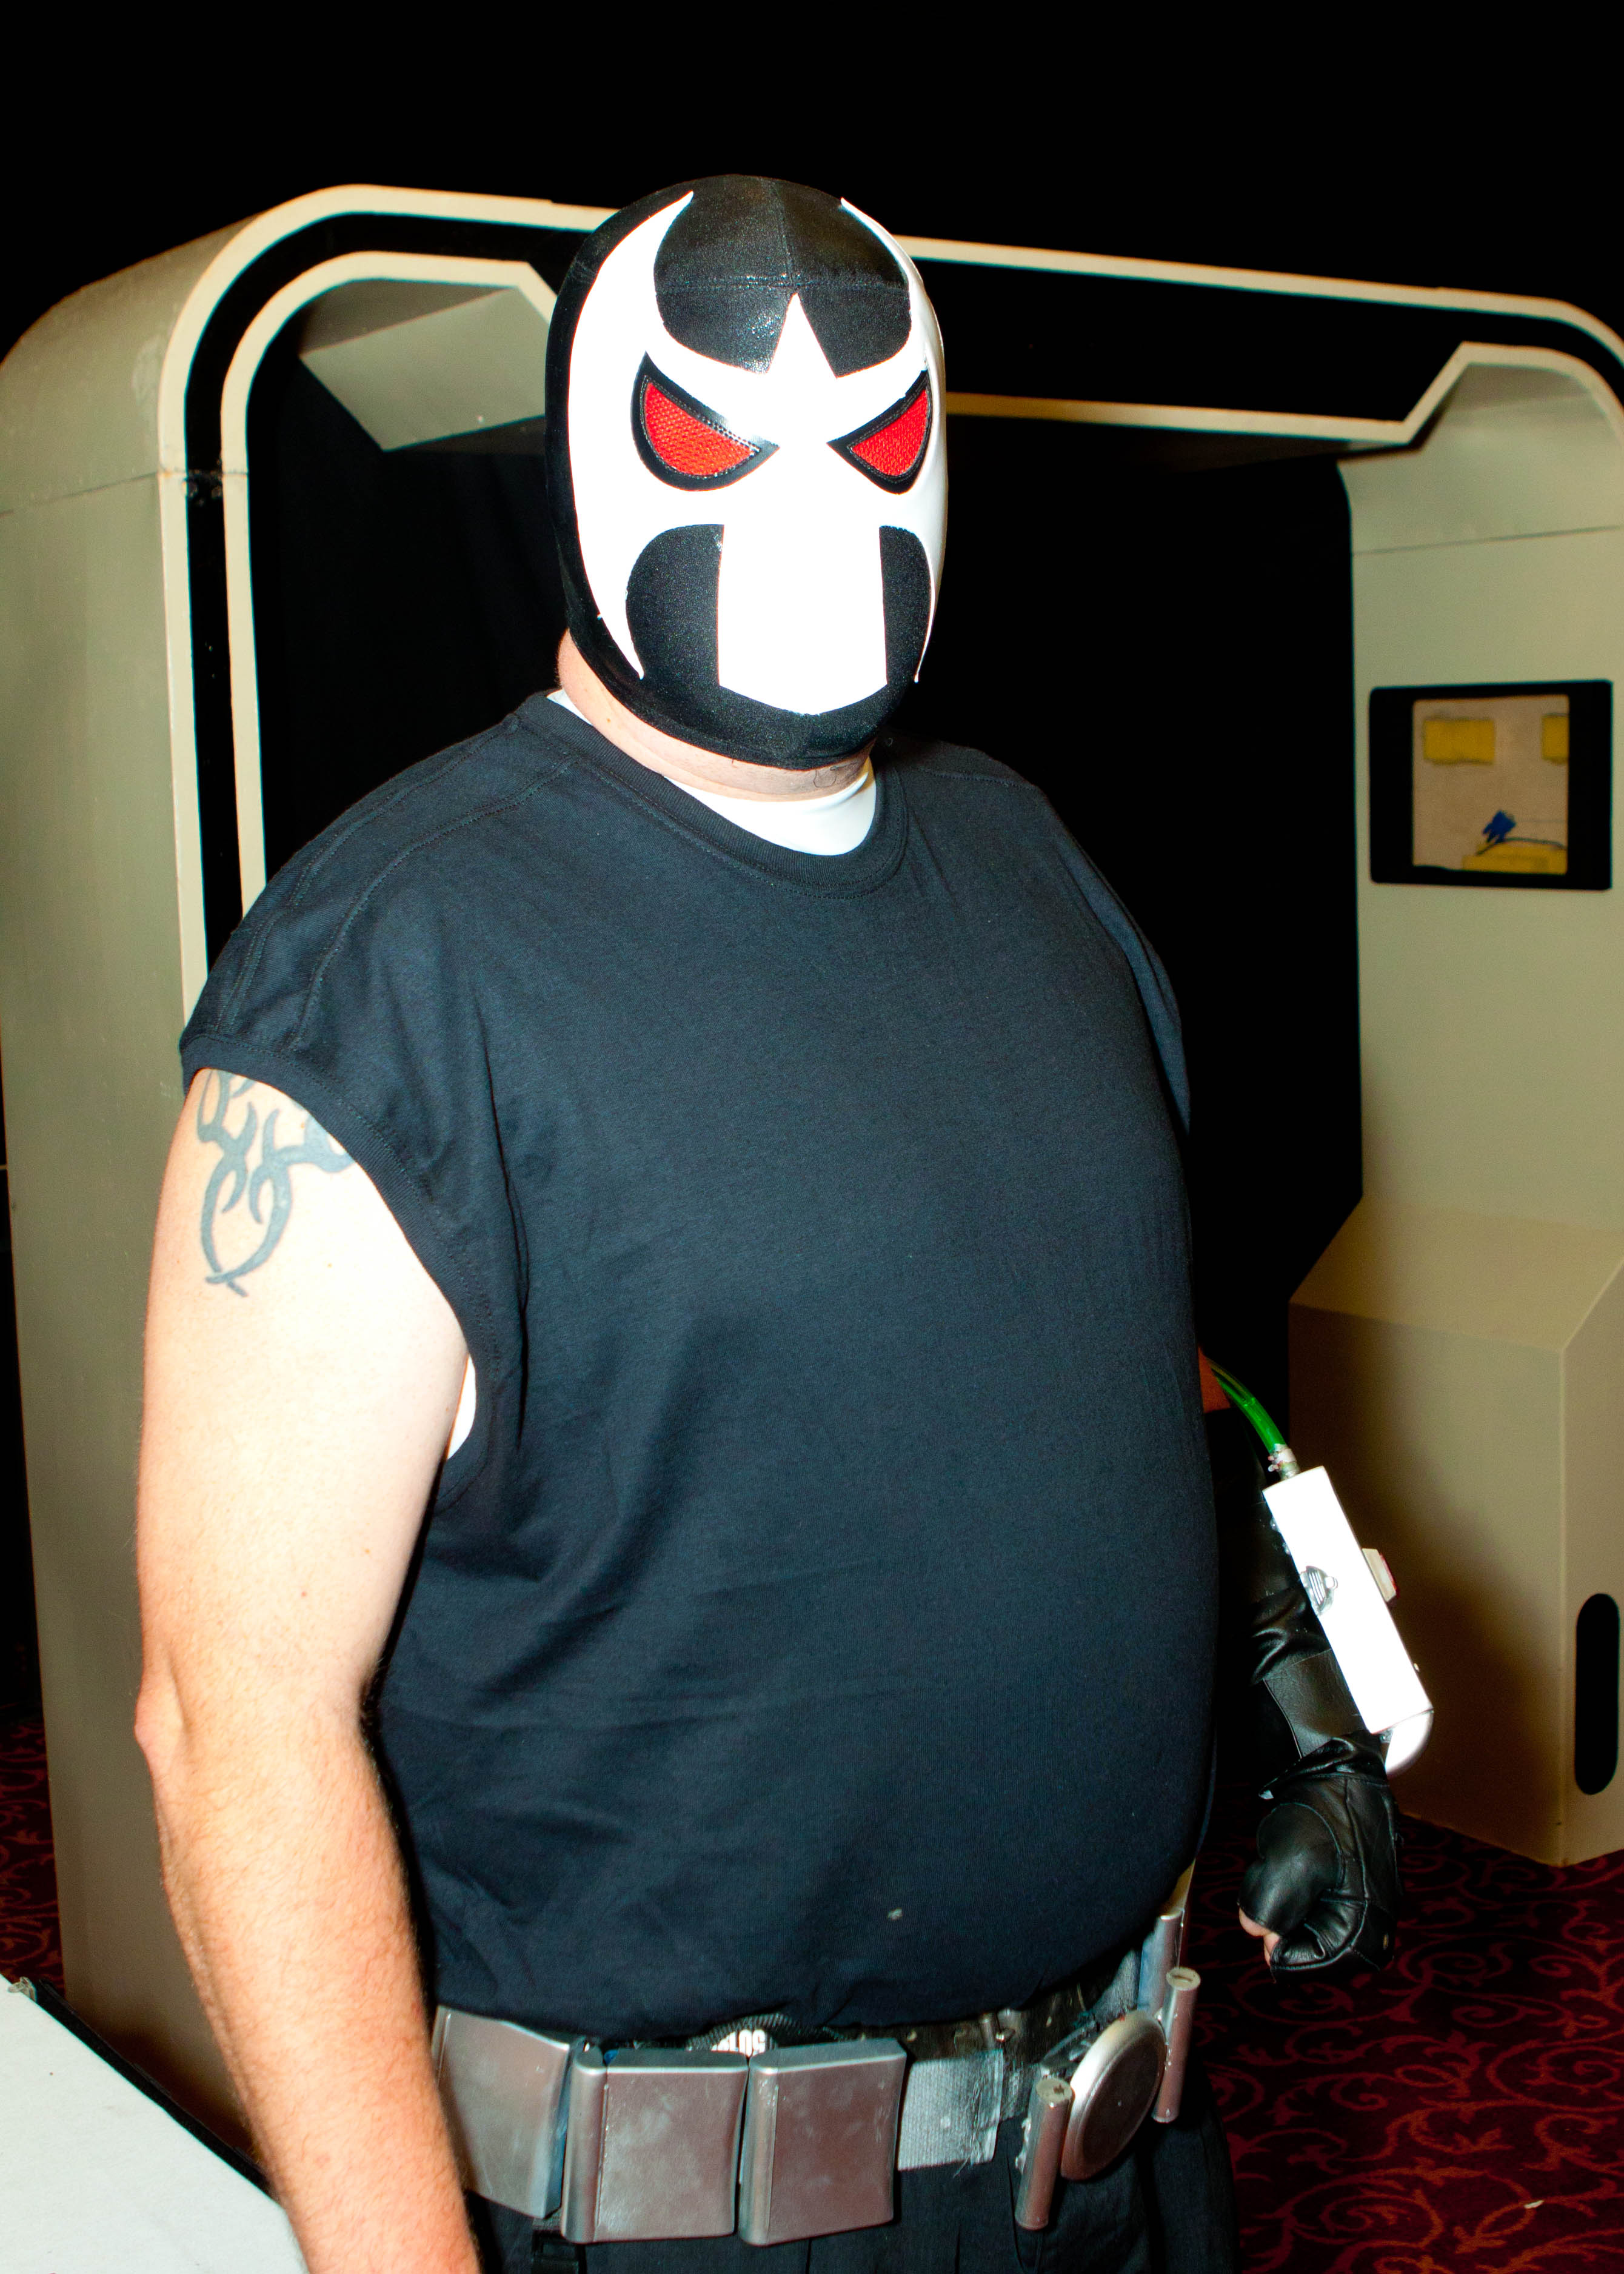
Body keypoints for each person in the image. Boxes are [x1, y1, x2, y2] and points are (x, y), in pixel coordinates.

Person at [136, 176, 1396, 2274]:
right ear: (584, 452)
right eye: (718, 427)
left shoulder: (1025, 858)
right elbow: (238, 1730)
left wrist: (1294, 1678)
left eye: (874, 432)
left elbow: (1120, 1350)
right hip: (702, 2217)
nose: (812, 498)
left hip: (1123, 2152)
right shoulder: (396, 975)